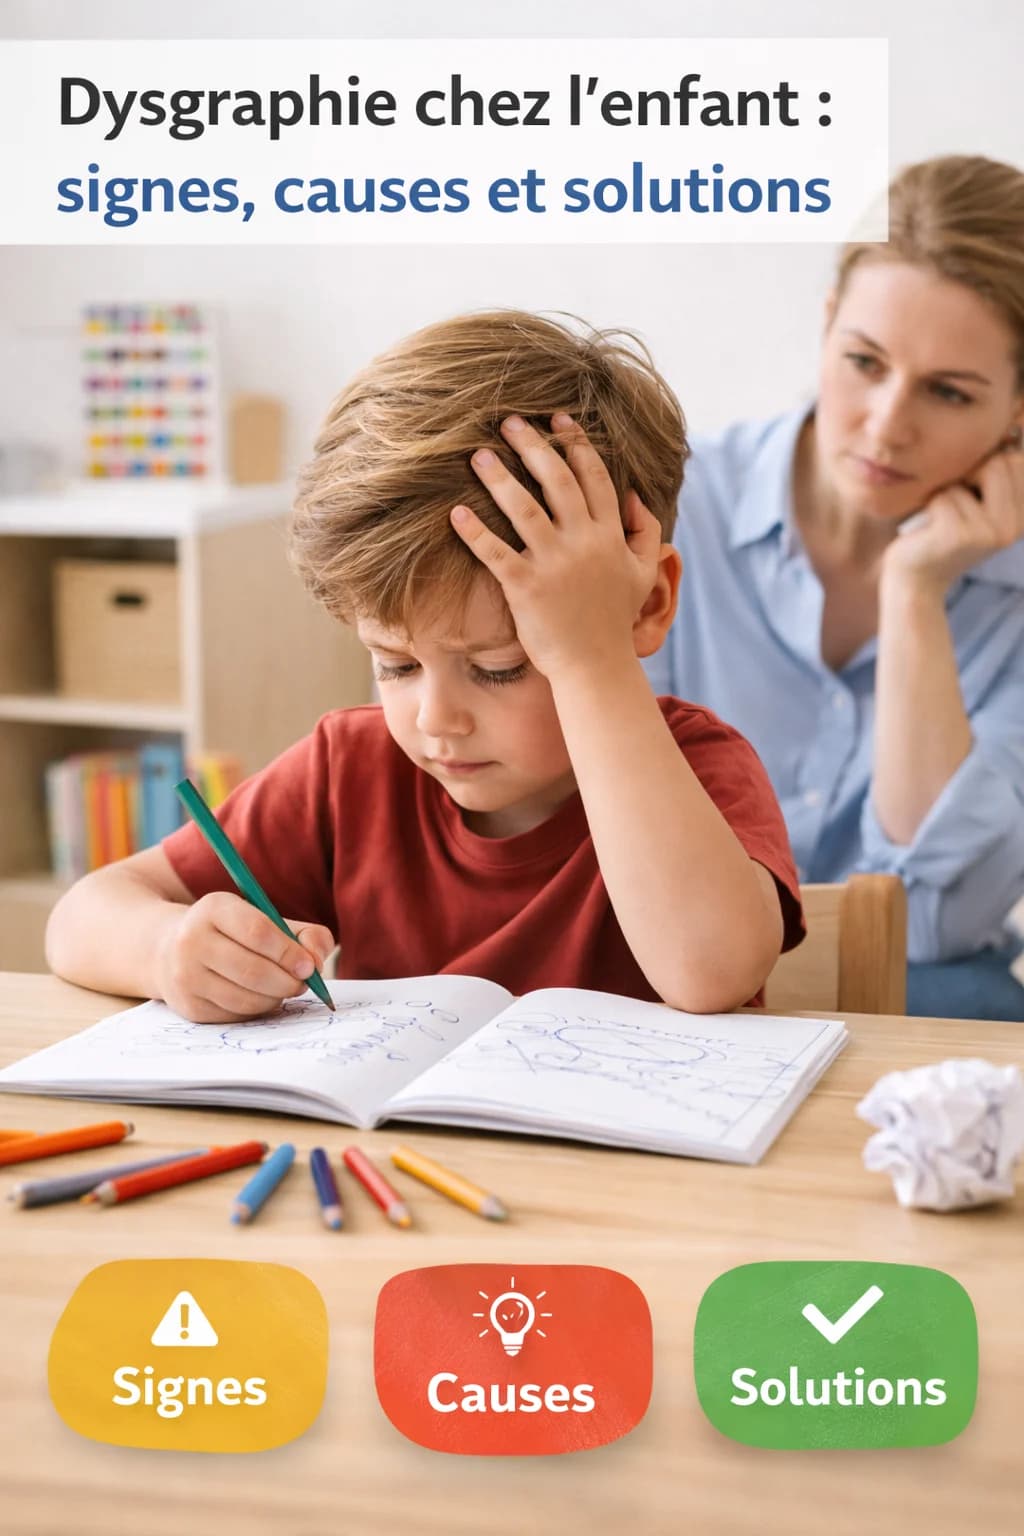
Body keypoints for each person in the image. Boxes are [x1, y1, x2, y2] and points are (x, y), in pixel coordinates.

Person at [45, 310, 804, 1025]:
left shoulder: (701, 767)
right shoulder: (348, 773)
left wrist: (590, 662)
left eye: (501, 667)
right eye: (396, 664)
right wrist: (168, 951)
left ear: (645, 606)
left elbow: (709, 974)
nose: (436, 719)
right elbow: (82, 918)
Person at [644, 155, 1024, 1019]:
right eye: (864, 362)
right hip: (675, 980)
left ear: (1017, 412)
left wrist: (915, 591)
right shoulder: (674, 509)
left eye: (949, 392)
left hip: (923, 995)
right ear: (826, 327)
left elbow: (934, 925)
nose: (888, 425)